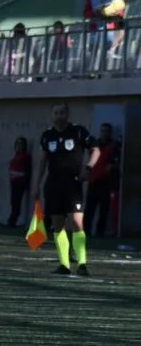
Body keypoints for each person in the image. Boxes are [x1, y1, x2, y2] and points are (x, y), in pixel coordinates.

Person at [32, 103, 99, 276]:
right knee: (57, 225)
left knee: (77, 222)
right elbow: (42, 161)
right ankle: (64, 264)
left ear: (67, 114)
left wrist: (88, 168)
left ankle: (82, 264)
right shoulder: (47, 135)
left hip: (73, 183)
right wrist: (36, 184)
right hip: (53, 184)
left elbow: (96, 150)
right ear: (52, 115)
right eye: (56, 113)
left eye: (62, 112)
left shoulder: (78, 131)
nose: (59, 116)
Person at [84, 123, 121, 237]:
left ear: (110, 133)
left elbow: (111, 166)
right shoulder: (95, 144)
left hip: (105, 183)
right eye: (103, 131)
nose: (104, 133)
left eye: (106, 131)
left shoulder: (113, 146)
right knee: (89, 209)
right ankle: (86, 231)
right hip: (93, 182)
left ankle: (100, 232)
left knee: (103, 210)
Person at [7, 136, 31, 227]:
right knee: (13, 201)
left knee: (17, 201)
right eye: (18, 144)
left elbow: (27, 170)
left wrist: (26, 183)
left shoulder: (25, 156)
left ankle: (13, 219)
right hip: (14, 182)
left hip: (20, 182)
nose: (19, 146)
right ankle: (12, 217)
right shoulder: (17, 155)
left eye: (21, 144)